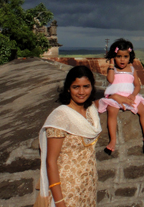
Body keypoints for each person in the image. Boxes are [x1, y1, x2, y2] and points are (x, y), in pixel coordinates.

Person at [38, 66, 102, 207]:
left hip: (88, 186)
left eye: (86, 86)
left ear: (92, 87)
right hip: (67, 190)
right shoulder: (61, 117)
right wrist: (60, 202)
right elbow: (51, 161)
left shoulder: (91, 111)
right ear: (68, 88)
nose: (81, 92)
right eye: (75, 87)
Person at [98, 38, 144, 153]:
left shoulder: (132, 69)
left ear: (130, 57)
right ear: (114, 57)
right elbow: (110, 79)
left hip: (129, 96)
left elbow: (137, 85)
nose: (122, 60)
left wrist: (134, 95)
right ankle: (113, 139)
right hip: (115, 96)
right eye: (118, 56)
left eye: (125, 56)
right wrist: (111, 65)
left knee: (143, 110)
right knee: (112, 111)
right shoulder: (113, 69)